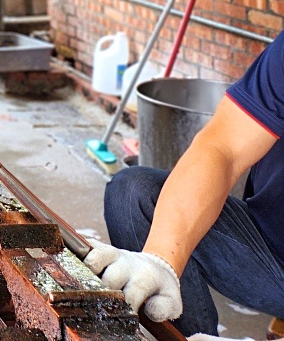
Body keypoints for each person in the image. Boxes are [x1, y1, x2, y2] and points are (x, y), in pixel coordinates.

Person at [84, 32, 284, 337]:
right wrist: (160, 261)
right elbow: (224, 147)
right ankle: (186, 334)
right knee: (133, 192)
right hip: (270, 250)